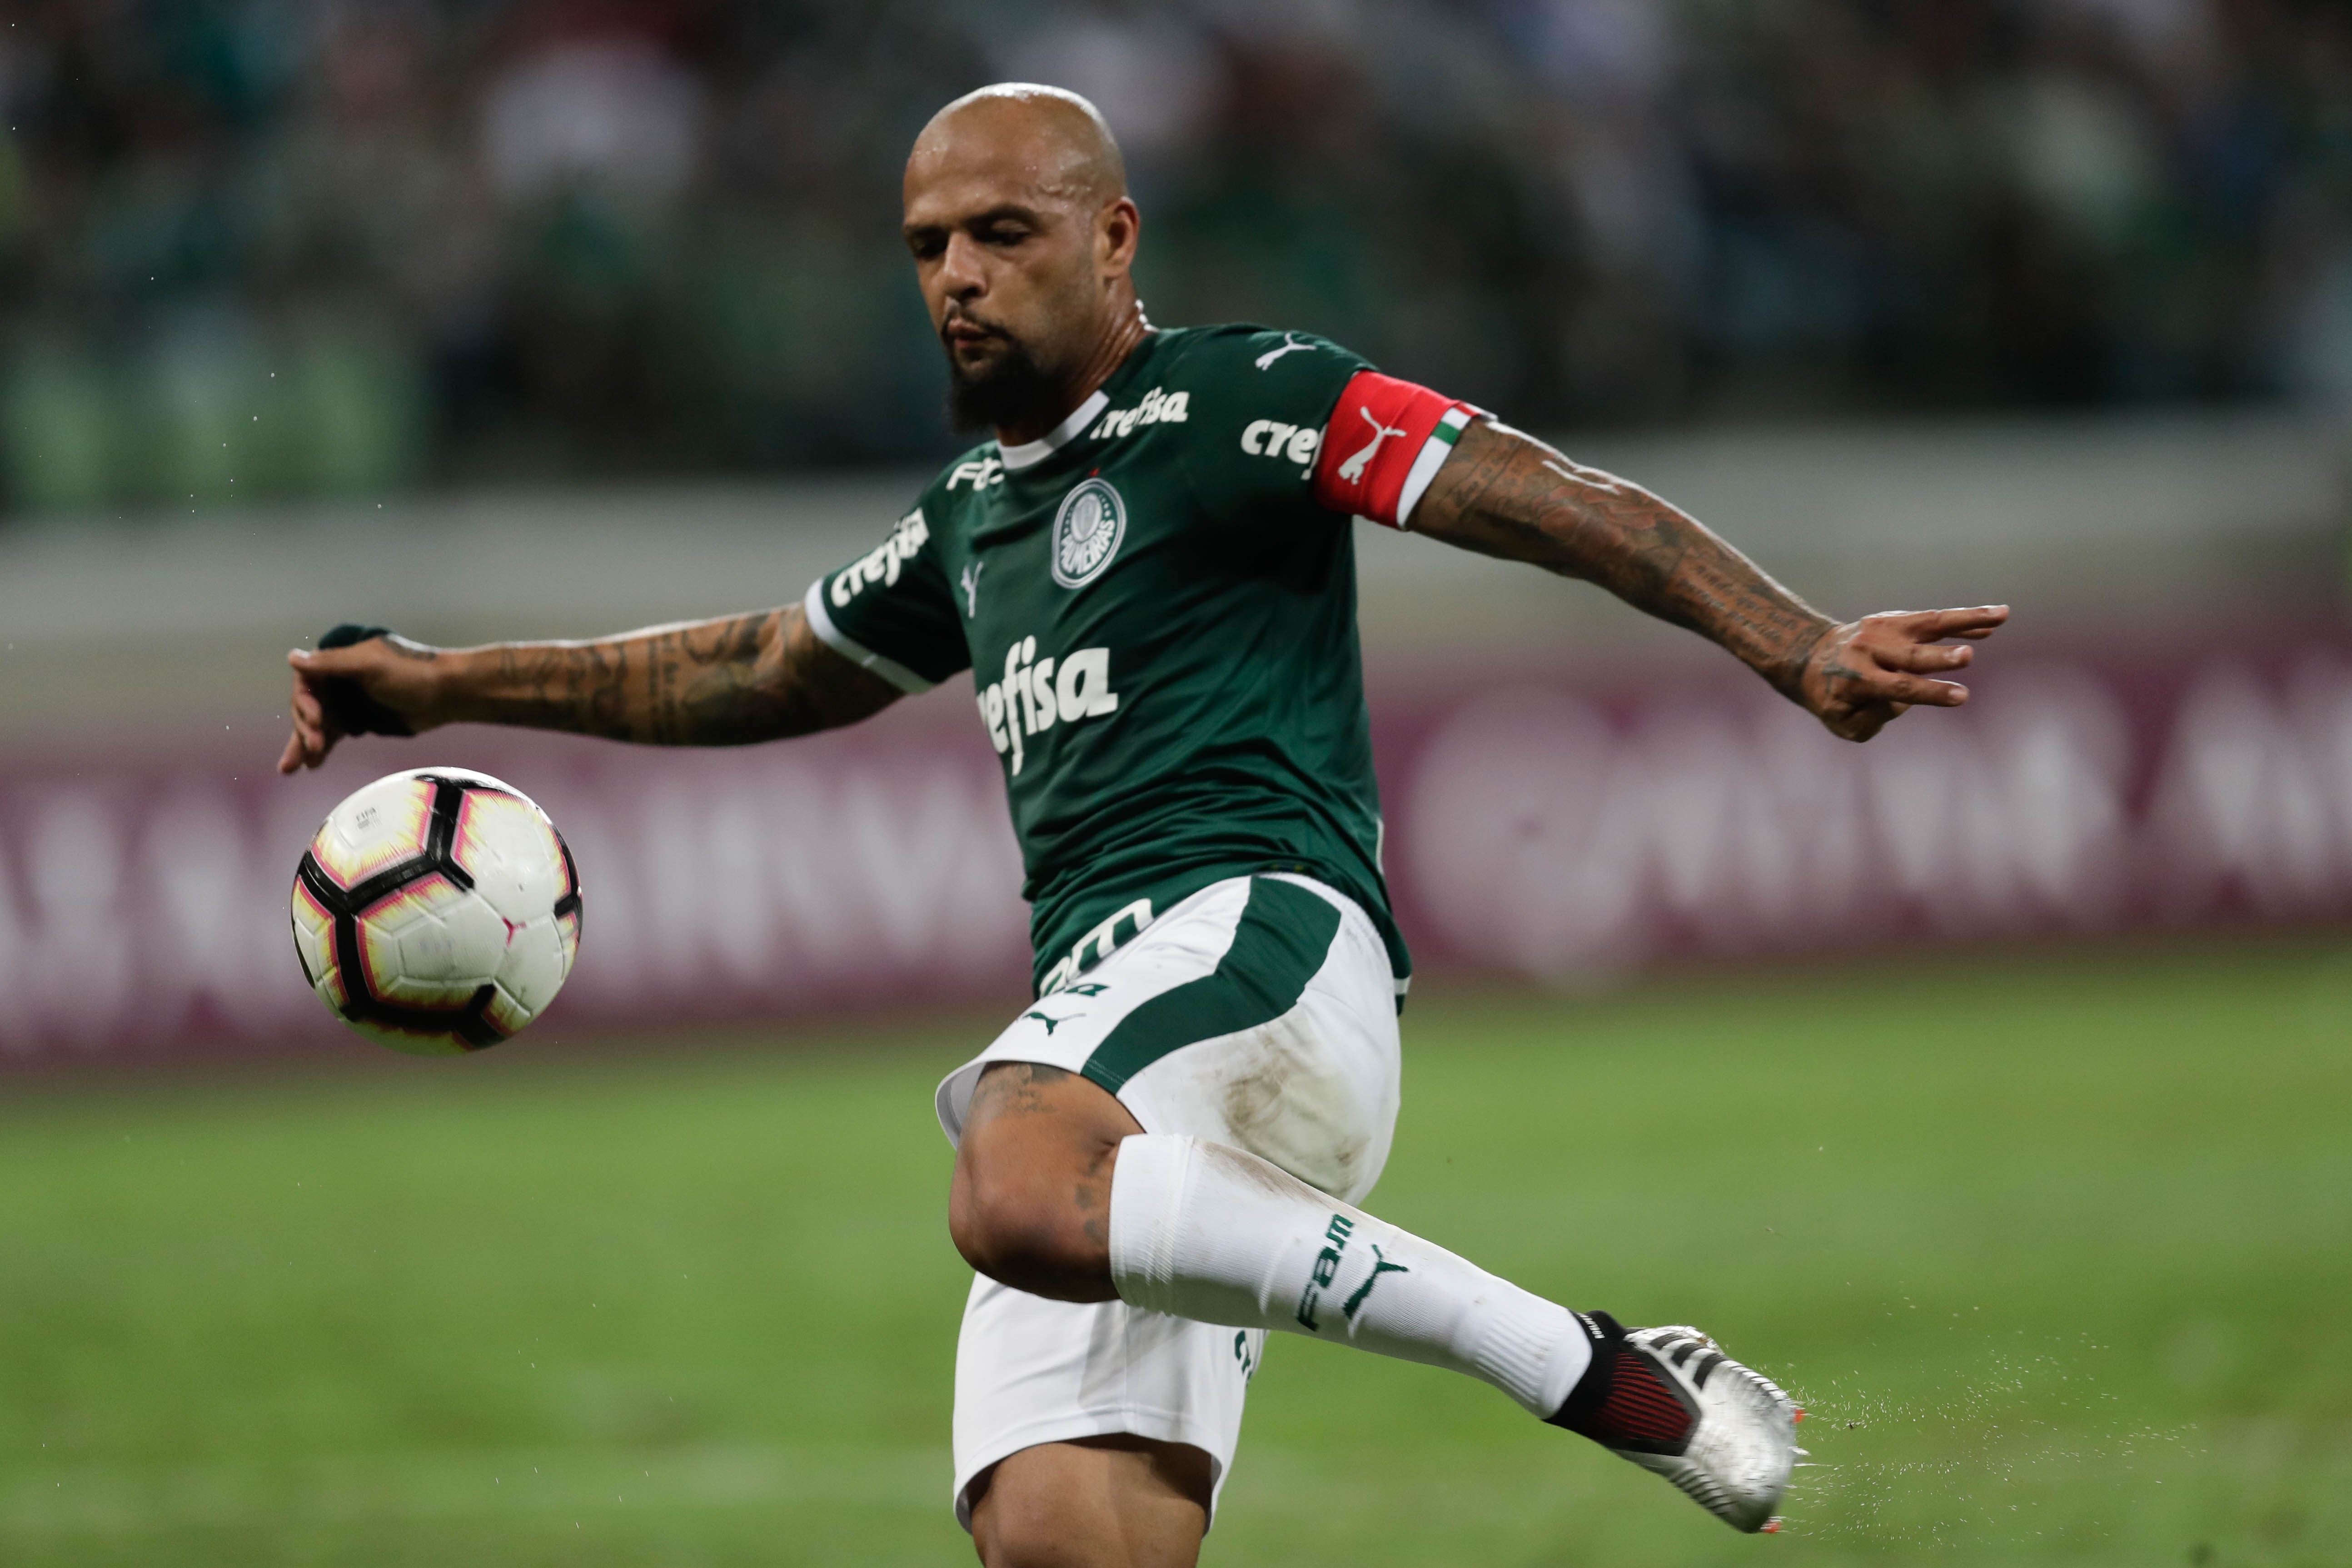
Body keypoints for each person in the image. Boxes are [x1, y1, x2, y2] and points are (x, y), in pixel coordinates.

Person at [279, 83, 2007, 1568]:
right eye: (928, 246)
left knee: (1010, 1178)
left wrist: (1795, 642)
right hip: (1140, 1076)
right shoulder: (970, 515)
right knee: (1057, 1532)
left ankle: (1589, 1366)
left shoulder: (1239, 398)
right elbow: (751, 667)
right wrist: (434, 685)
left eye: (1003, 233)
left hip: (1263, 939)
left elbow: (1546, 495)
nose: (957, 274)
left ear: (1115, 239)